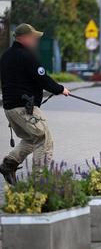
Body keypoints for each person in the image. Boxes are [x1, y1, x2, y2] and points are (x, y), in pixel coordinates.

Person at [0, 23, 70, 185]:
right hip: (24, 109)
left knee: (32, 139)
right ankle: (40, 182)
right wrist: (60, 89)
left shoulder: (6, 56)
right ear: (24, 38)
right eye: (33, 37)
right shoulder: (26, 55)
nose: (36, 41)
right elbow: (42, 78)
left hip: (11, 109)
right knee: (44, 139)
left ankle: (8, 165)